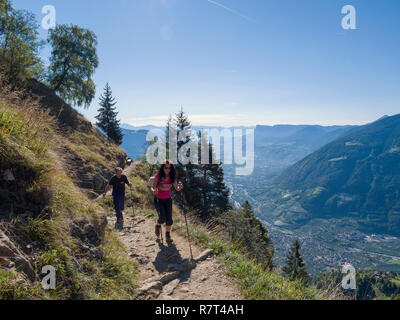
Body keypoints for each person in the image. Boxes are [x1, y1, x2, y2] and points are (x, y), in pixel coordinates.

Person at [151, 161, 183, 243]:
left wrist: (180, 186)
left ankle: (168, 235)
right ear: (162, 167)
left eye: (169, 168)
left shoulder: (172, 177)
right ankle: (158, 225)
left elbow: (177, 188)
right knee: (162, 218)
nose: (167, 169)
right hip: (159, 199)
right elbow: (152, 187)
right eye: (166, 167)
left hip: (168, 199)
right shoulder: (158, 176)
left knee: (169, 219)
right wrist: (154, 190)